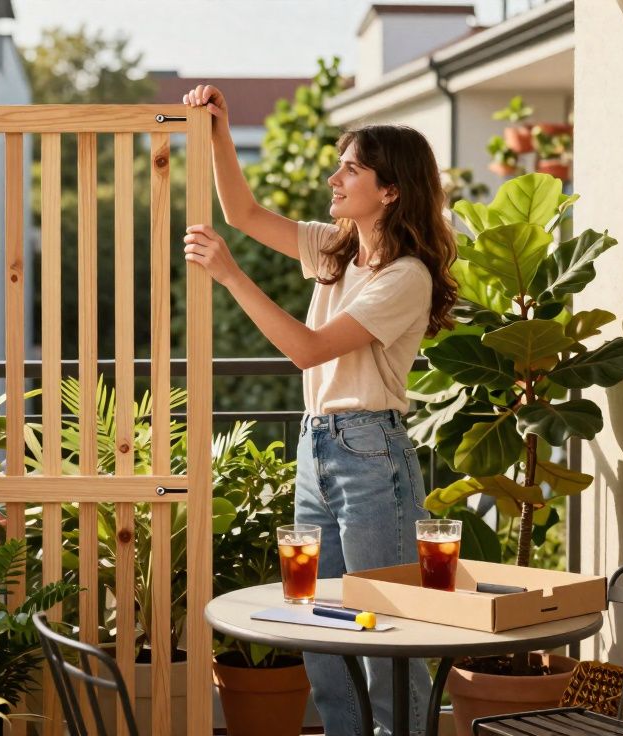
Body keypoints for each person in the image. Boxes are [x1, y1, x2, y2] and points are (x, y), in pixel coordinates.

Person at [182, 84, 458, 735]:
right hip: (318, 449)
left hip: (370, 458)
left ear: (390, 190)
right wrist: (220, 126)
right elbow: (243, 211)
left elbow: (308, 352)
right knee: (316, 626)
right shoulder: (335, 252)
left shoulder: (404, 277)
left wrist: (230, 275)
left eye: (351, 168)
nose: (334, 178)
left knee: (383, 633)